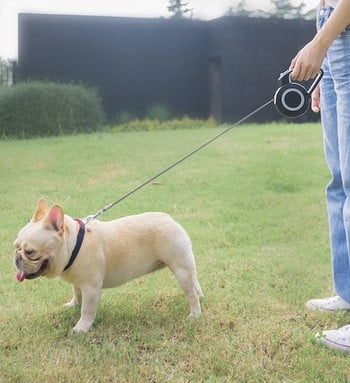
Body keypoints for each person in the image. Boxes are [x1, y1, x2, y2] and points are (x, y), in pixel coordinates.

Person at [289, 0, 350, 351]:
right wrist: (325, 61)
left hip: (340, 30)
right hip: (332, 31)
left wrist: (320, 43)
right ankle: (347, 292)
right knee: (339, 181)